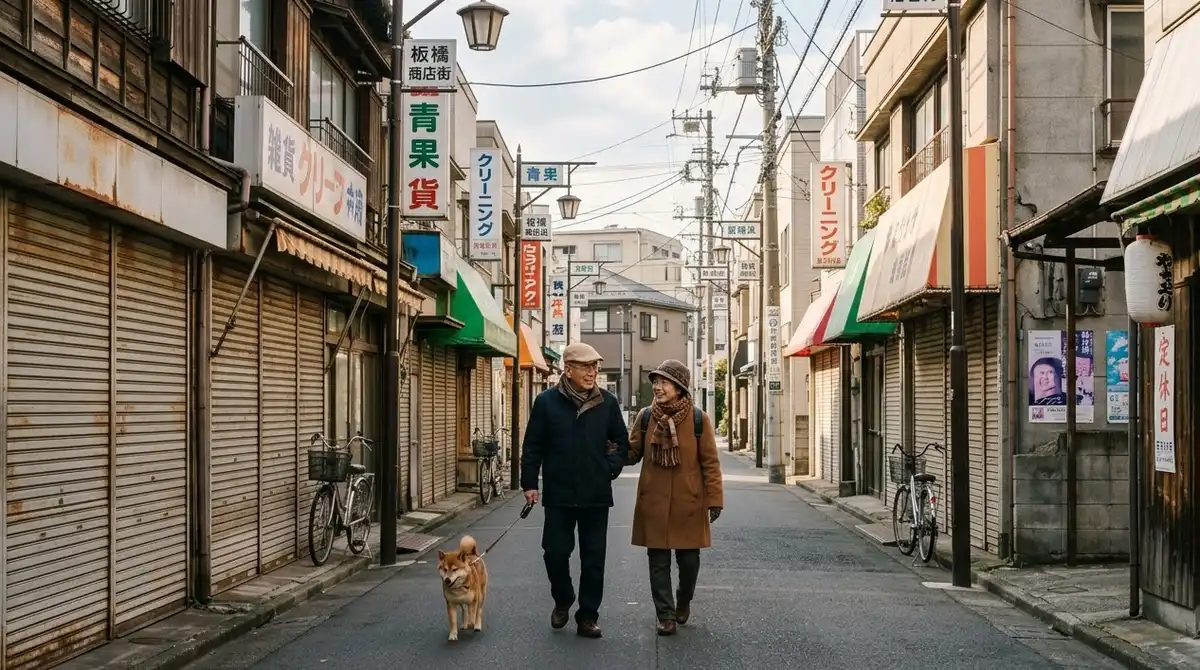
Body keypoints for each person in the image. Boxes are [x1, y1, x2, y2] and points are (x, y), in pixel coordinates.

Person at [521, 342, 629, 639]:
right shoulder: (546, 402)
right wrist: (530, 483)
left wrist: (609, 468)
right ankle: (563, 597)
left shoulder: (607, 402)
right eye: (585, 366)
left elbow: (621, 443)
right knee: (554, 552)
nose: (592, 372)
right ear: (567, 370)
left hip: (596, 494)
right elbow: (533, 446)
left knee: (594, 559)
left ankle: (587, 616)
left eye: (595, 366)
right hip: (559, 493)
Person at [627, 359, 724, 636]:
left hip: (689, 503)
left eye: (664, 382)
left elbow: (710, 463)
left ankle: (684, 600)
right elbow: (633, 452)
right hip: (654, 502)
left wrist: (714, 499)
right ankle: (665, 615)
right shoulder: (646, 417)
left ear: (680, 388)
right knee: (658, 561)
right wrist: (607, 451)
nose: (657, 387)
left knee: (689, 562)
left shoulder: (697, 419)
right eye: (655, 382)